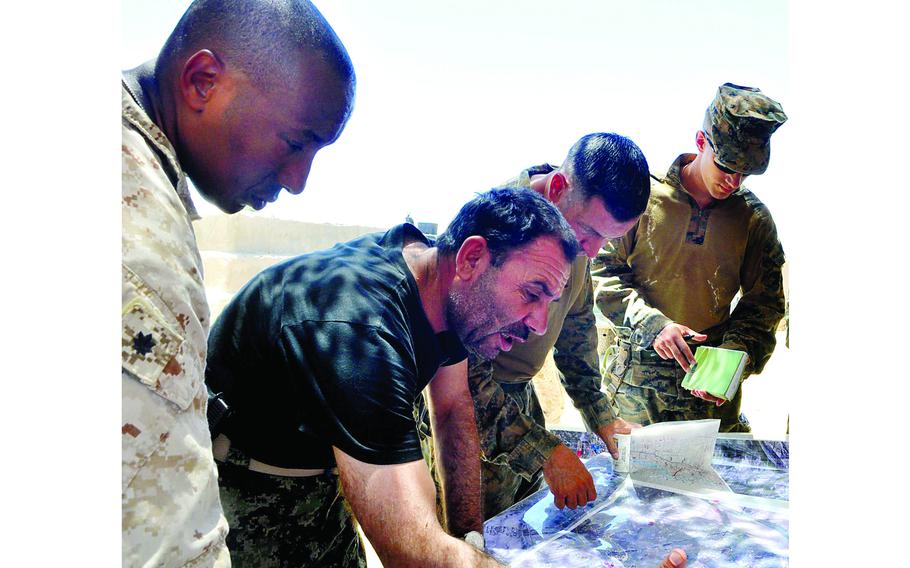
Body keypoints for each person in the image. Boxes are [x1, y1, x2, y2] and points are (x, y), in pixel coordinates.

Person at [204, 187, 577, 566]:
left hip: (325, 480)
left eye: (551, 302)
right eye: (532, 293)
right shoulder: (364, 330)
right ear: (472, 258)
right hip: (246, 492)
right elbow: (412, 548)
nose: (540, 324)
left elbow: (451, 408)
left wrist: (471, 538)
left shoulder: (443, 285)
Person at [121, 0, 355, 565]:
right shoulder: (138, 230)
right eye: (296, 142)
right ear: (203, 82)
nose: (299, 182)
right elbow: (163, 539)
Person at [419, 133, 653, 520]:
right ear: (558, 188)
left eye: (607, 239)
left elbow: (577, 336)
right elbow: (453, 368)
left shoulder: (575, 233)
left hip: (519, 402)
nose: (592, 252)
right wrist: (544, 451)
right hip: (467, 414)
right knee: (471, 542)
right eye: (592, 233)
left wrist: (603, 418)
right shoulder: (495, 224)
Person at [594, 83, 787, 432]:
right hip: (635, 394)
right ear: (701, 142)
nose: (734, 180)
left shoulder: (753, 220)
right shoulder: (642, 198)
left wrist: (734, 354)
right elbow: (600, 272)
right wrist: (652, 325)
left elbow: (764, 306)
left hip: (709, 399)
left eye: (745, 172)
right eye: (726, 165)